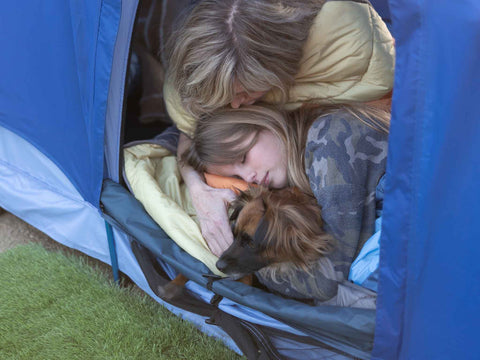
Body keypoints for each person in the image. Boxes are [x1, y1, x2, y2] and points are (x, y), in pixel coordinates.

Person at [164, 0, 395, 255]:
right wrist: (199, 191)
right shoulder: (200, 80)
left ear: (277, 69)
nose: (236, 105)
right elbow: (189, 132)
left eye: (246, 91)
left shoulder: (349, 53)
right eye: (225, 97)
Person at [182, 104, 389, 302]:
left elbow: (326, 280)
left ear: (265, 122)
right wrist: (197, 188)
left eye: (243, 157)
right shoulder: (302, 177)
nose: (249, 176)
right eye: (237, 175)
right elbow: (179, 140)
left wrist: (252, 267)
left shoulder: (329, 142)